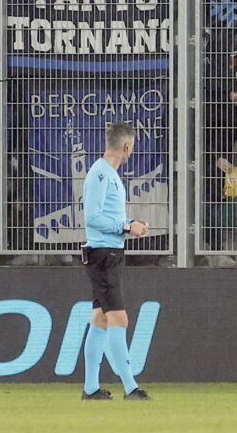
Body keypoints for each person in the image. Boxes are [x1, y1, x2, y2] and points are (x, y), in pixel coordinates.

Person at [80, 121, 152, 401]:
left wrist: (129, 224)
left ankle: (90, 389)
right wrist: (126, 225)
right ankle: (131, 387)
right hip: (103, 254)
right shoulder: (100, 174)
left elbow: (103, 216)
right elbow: (93, 218)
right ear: (126, 146)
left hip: (108, 252)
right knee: (118, 319)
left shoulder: (105, 173)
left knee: (99, 320)